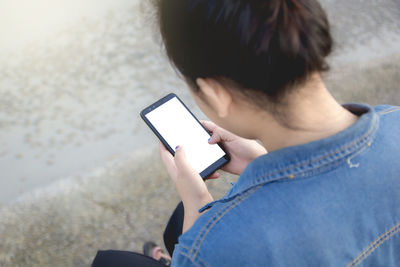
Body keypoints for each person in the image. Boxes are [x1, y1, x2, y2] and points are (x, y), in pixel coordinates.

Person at [93, 0, 400, 266]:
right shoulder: (394, 120)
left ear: (215, 94)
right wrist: (263, 161)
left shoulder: (214, 248)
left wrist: (197, 204)